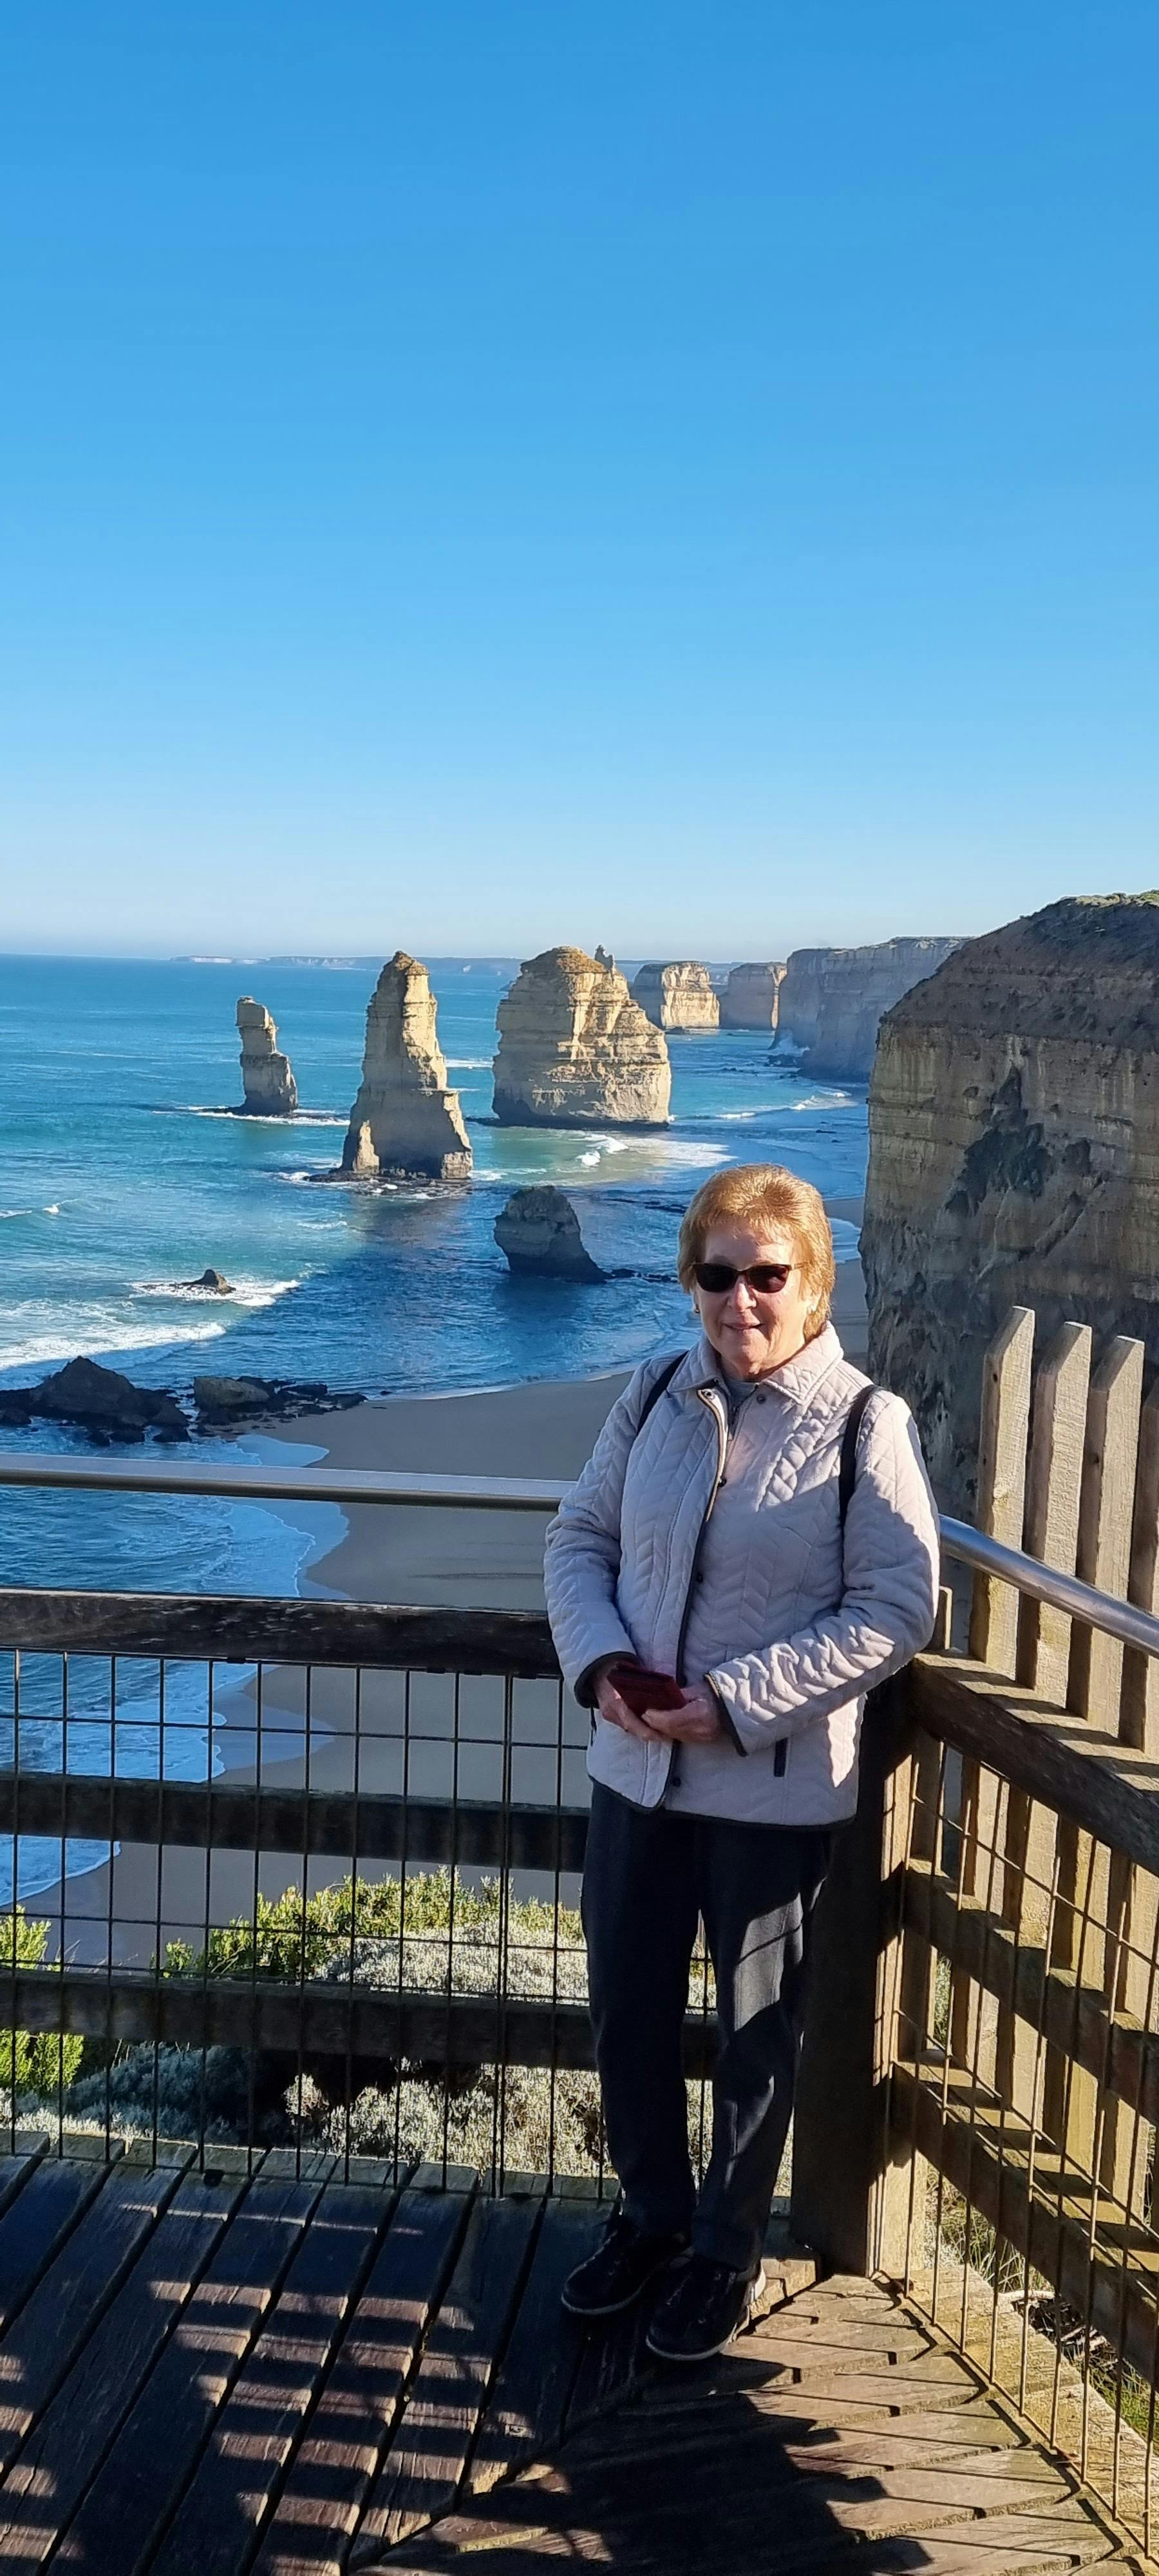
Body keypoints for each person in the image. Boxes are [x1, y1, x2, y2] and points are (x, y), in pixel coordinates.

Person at [543, 1161, 939, 2362]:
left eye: (769, 1275)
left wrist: (733, 1702)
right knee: (627, 2017)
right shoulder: (655, 1392)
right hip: (634, 1772)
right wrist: (606, 1669)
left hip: (767, 1787)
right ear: (693, 1284)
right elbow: (580, 1538)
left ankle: (724, 2251)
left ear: (815, 1286)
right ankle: (652, 2218)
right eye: (718, 1275)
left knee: (756, 2033)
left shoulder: (867, 1422)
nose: (741, 1301)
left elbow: (897, 1604)